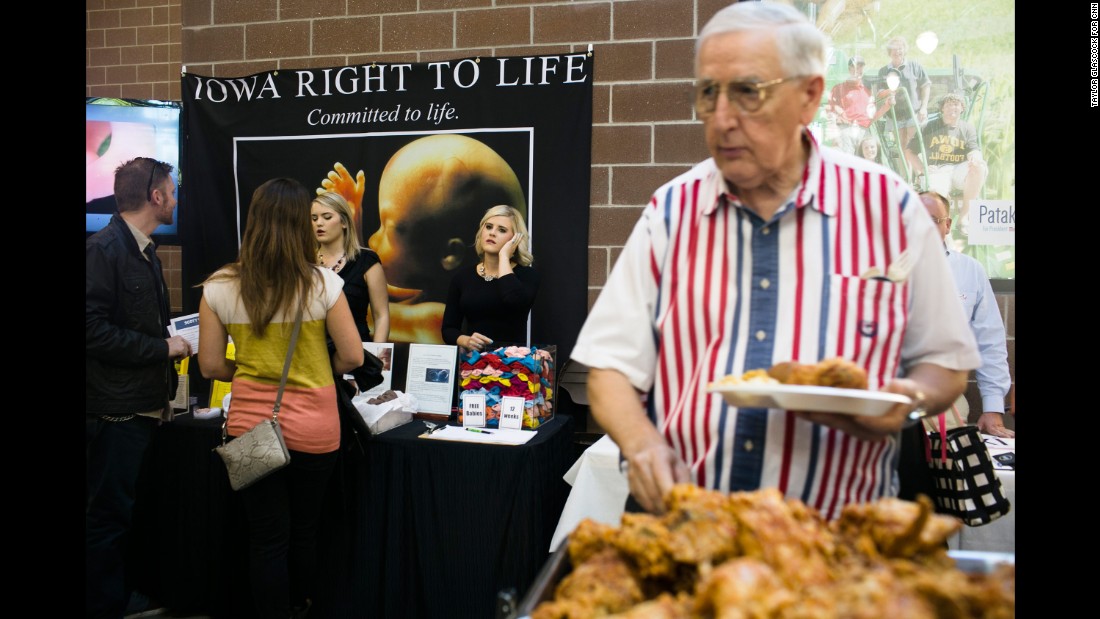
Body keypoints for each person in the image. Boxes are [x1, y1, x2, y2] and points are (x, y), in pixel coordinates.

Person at [569, 2, 980, 520]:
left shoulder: (888, 208)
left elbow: (946, 366)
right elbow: (609, 366)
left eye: (747, 92)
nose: (721, 119)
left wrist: (908, 400)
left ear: (809, 95)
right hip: (688, 528)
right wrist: (641, 443)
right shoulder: (672, 211)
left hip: (834, 548)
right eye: (707, 92)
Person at [198, 178, 364, 619]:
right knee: (305, 531)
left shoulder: (219, 286)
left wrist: (253, 374)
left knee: (266, 537)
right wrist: (316, 372)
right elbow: (351, 356)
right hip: (315, 429)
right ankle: (300, 605)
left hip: (250, 429)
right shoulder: (324, 285)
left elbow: (212, 366)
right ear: (299, 226)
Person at [87, 156, 192, 618]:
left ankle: (121, 595)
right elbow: (90, 331)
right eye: (172, 190)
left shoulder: (143, 249)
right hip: (116, 411)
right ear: (156, 196)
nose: (175, 198)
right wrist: (163, 349)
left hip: (143, 407)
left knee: (127, 515)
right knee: (107, 519)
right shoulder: (104, 249)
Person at [321, 134, 526, 344]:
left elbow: (361, 311)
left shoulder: (435, 317)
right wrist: (353, 223)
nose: (373, 240)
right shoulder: (419, 292)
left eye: (388, 228)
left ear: (449, 254)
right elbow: (375, 286)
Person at [919, 191, 1013, 437]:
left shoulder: (970, 271)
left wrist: (993, 407)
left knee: (948, 473)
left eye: (933, 220)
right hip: (890, 400)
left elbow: (989, 341)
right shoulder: (884, 267)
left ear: (948, 225)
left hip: (946, 405)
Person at [441, 204, 540, 351]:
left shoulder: (527, 275)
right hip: (473, 365)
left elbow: (514, 301)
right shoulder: (462, 277)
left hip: (512, 366)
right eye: (488, 227)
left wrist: (504, 256)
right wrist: (466, 341)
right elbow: (448, 329)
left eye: (501, 230)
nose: (492, 233)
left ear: (516, 239)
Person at [312, 191, 390, 344]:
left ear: (344, 222)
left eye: (327, 217)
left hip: (356, 355)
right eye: (314, 218)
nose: (319, 223)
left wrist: (376, 357)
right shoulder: (304, 261)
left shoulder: (366, 261)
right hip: (312, 356)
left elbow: (381, 315)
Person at [906, 93, 988, 223]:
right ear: (942, 109)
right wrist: (922, 168)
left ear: (962, 108)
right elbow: (909, 151)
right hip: (937, 170)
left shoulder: (967, 128)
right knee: (938, 196)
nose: (952, 108)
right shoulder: (928, 127)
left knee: (979, 167)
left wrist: (974, 158)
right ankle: (943, 228)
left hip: (958, 171)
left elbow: (974, 150)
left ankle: (964, 217)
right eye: (948, 105)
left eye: (956, 105)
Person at [876, 36, 931, 154]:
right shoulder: (883, 71)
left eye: (900, 48)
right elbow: (880, 93)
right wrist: (889, 94)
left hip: (913, 113)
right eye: (894, 49)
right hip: (895, 115)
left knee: (911, 146)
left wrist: (924, 108)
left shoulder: (915, 67)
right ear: (889, 52)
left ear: (905, 50)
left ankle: (916, 172)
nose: (897, 51)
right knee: (901, 147)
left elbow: (925, 86)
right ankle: (903, 172)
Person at [827, 55, 891, 155]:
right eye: (855, 66)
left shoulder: (867, 92)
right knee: (847, 164)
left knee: (865, 164)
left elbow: (871, 118)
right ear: (849, 69)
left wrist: (887, 106)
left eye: (860, 67)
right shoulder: (838, 88)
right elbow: (830, 113)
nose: (858, 70)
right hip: (846, 130)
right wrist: (835, 136)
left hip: (864, 132)